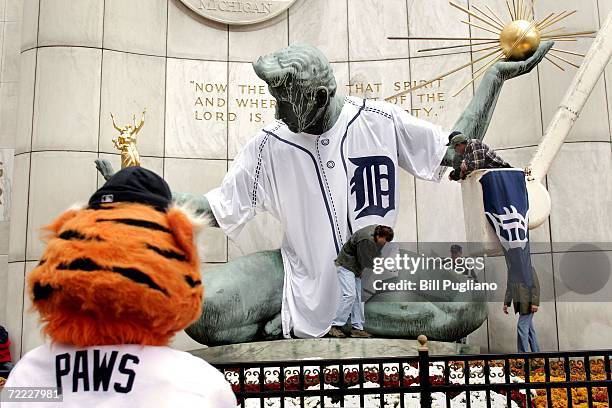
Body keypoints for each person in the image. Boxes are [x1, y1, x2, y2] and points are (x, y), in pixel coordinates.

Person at [328, 225, 394, 338]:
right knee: (350, 295)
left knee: (359, 297)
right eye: (386, 240)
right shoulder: (366, 239)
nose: (386, 243)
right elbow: (366, 262)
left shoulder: (377, 236)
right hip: (346, 266)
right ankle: (335, 326)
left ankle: (357, 329)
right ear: (379, 236)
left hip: (356, 269)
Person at [504, 266, 541, 352]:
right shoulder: (511, 270)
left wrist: (535, 303)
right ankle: (538, 356)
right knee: (529, 331)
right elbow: (509, 288)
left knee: (521, 326)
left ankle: (522, 356)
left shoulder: (528, 268)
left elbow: (535, 286)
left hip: (528, 304)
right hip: (520, 305)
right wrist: (506, 303)